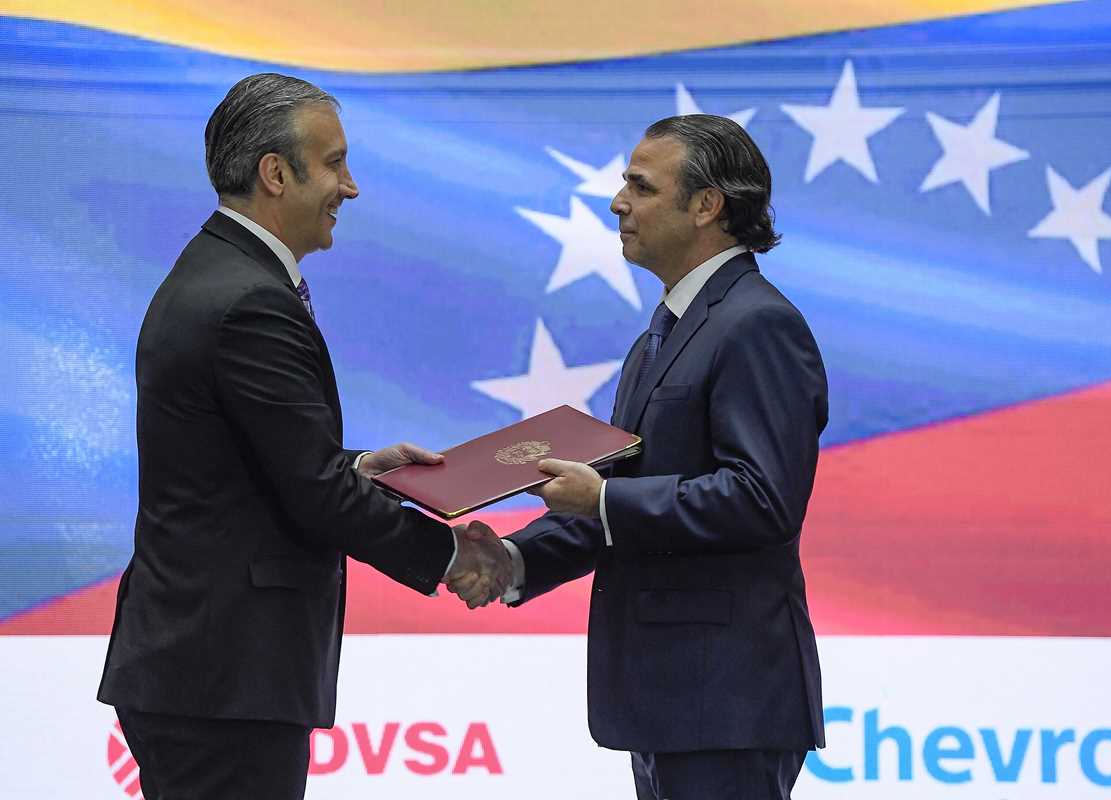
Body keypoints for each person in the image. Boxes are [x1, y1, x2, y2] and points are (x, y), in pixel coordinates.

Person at [97, 73, 510, 799]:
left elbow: (260, 458)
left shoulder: (221, 273)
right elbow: (314, 494)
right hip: (224, 678)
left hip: (206, 671)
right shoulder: (249, 300)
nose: (350, 187)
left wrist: (359, 465)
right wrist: (450, 554)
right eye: (334, 164)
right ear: (276, 173)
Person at [452, 114, 828, 799]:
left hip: (727, 702)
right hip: (671, 700)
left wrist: (600, 498)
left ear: (707, 205)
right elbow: (627, 496)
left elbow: (761, 499)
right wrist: (514, 558)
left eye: (641, 187)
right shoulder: (663, 335)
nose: (617, 203)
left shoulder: (757, 323)